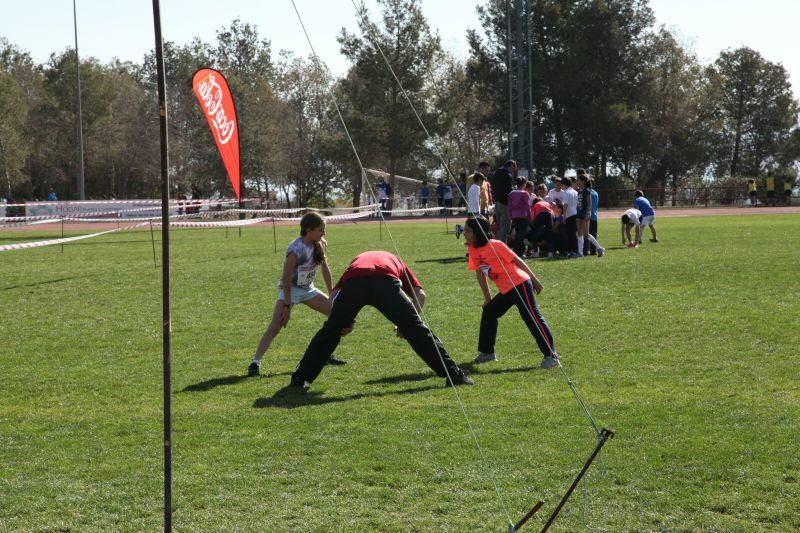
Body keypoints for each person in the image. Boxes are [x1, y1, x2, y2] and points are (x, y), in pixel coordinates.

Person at [290, 251, 473, 389]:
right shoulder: (397, 262)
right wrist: (407, 322)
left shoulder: (356, 262)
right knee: (417, 330)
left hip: (356, 283)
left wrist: (342, 322)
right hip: (384, 282)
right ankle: (454, 375)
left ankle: (299, 379)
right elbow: (420, 294)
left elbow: (334, 296)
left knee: (329, 331)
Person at [248, 212, 345, 376]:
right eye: (321, 230)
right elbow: (286, 278)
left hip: (308, 290)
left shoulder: (320, 244)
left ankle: (324, 354)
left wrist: (331, 295)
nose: (324, 233)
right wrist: (286, 305)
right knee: (275, 326)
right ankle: (255, 363)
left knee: (336, 316)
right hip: (290, 291)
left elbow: (325, 269)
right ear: (309, 230)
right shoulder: (295, 249)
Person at [463, 216, 559, 369]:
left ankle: (551, 356)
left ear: (478, 232)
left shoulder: (496, 245)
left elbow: (518, 261)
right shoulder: (472, 249)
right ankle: (487, 353)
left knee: (532, 317)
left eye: (467, 230)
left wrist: (535, 281)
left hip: (520, 284)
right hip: (507, 290)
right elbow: (480, 274)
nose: (464, 233)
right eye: (464, 229)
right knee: (489, 311)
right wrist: (487, 298)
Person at [576, 174, 605, 257]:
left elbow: (589, 203)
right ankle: (580, 252)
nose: (577, 182)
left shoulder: (587, 191)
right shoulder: (578, 191)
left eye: (579, 180)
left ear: (583, 181)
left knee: (586, 233)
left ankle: (599, 248)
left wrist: (588, 213)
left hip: (585, 214)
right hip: (579, 213)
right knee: (579, 232)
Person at [490, 160, 516, 244]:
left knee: (499, 225)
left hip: (497, 202)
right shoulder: (506, 174)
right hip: (505, 203)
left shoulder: (496, 173)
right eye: (513, 168)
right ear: (511, 165)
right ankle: (501, 246)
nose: (513, 171)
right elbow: (509, 191)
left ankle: (496, 244)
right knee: (505, 227)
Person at [507, 176, 532, 257]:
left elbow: (509, 206)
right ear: (524, 184)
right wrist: (529, 216)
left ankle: (516, 251)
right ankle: (520, 252)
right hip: (523, 216)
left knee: (517, 234)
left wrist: (510, 216)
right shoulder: (525, 193)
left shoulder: (511, 194)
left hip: (514, 216)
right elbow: (528, 206)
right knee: (521, 235)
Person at [560, 177, 579, 257]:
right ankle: (575, 250)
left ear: (564, 184)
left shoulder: (565, 192)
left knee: (569, 234)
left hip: (569, 215)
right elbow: (577, 204)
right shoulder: (575, 192)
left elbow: (565, 205)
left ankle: (572, 251)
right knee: (573, 234)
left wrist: (564, 216)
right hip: (575, 213)